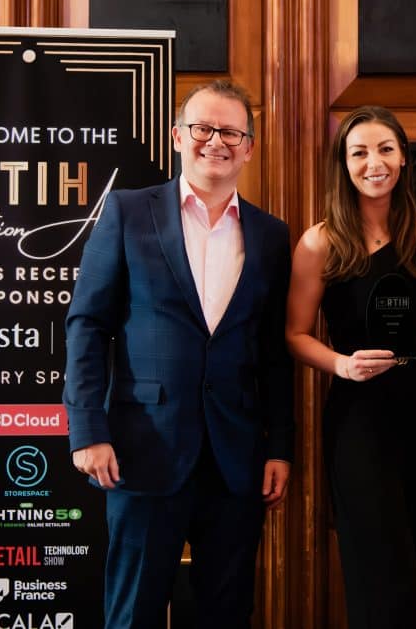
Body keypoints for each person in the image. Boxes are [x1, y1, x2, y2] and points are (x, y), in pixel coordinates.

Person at [63, 79, 294, 629]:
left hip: (236, 460)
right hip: (142, 450)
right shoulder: (127, 211)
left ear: (249, 147)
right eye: (202, 128)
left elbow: (273, 352)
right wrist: (87, 430)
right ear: (177, 136)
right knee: (133, 613)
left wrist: (280, 447)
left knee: (228, 612)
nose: (216, 141)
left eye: (231, 132)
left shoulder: (271, 235)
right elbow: (88, 325)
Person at [285, 105, 416, 628]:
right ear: (343, 163)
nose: (374, 163)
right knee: (381, 573)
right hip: (359, 421)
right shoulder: (321, 241)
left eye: (385, 149)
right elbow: (294, 335)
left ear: (403, 157)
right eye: (359, 153)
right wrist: (341, 364)